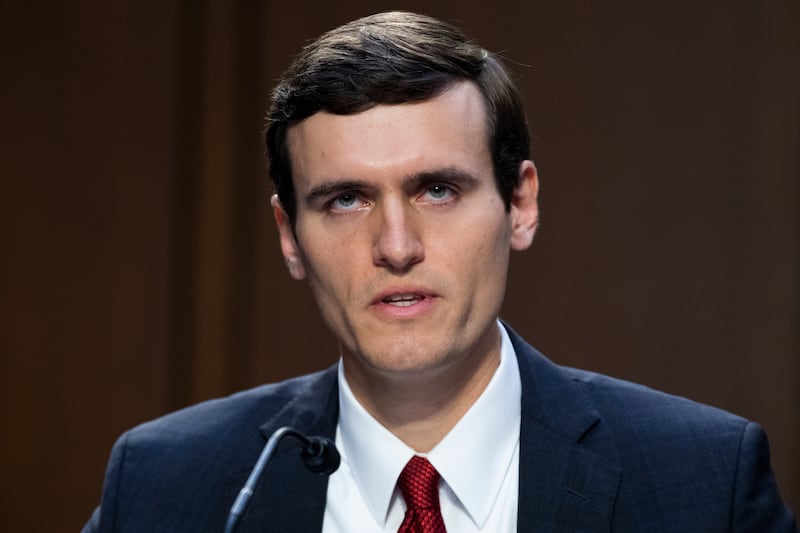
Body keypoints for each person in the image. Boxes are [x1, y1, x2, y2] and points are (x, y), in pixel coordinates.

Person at [83, 11, 796, 532]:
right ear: (289, 237)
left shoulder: (703, 487)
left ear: (520, 204)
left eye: (438, 189)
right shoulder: (165, 487)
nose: (396, 245)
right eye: (345, 199)